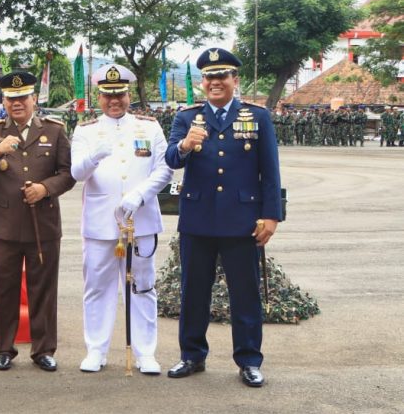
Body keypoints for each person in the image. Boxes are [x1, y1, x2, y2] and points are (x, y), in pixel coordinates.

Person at [165, 47, 283, 388]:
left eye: (222, 76)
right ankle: (191, 355)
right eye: (209, 77)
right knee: (194, 291)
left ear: (235, 80)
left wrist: (270, 216)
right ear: (202, 82)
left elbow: (270, 172)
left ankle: (248, 360)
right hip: (198, 218)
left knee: (245, 293)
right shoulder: (187, 117)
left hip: (242, 219)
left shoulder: (256, 116)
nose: (215, 82)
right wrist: (186, 145)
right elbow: (172, 159)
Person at [0, 69, 76, 371]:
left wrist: (45, 189)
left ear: (34, 99)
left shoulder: (54, 130)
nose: (17, 103)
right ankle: (3, 348)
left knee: (43, 289)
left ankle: (43, 349)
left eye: (22, 98)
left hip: (42, 223)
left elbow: (67, 174)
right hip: (4, 224)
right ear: (3, 102)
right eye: (10, 98)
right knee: (3, 288)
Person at [70, 64, 172, 375]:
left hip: (139, 221)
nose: (114, 101)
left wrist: (140, 195)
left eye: (120, 95)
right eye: (107, 96)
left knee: (142, 286)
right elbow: (76, 174)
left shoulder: (149, 127)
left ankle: (145, 353)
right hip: (101, 222)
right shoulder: (85, 131)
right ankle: (96, 350)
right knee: (98, 287)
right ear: (98, 98)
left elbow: (165, 169)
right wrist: (94, 156)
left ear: (129, 96)